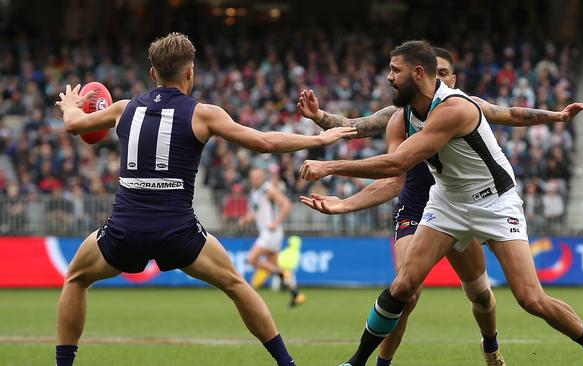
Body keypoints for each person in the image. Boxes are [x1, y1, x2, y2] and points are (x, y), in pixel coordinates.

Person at [300, 40, 583, 366]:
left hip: (494, 203)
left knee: (531, 299)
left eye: (394, 71)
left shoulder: (455, 109)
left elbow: (398, 163)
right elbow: (361, 131)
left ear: (418, 73)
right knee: (404, 287)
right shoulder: (402, 115)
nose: (388, 77)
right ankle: (357, 362)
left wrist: (329, 167)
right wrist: (321, 121)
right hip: (446, 202)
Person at [53, 32, 356, 366]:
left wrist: (69, 106)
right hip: (178, 232)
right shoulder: (203, 114)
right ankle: (288, 364)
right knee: (237, 285)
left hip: (126, 229)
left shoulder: (124, 110)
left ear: (152, 73)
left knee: (77, 278)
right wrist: (318, 138)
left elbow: (74, 126)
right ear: (190, 72)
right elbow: (264, 142)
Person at [240, 168, 305, 307]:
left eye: (258, 176)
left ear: (263, 177)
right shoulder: (255, 193)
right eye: (253, 177)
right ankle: (296, 294)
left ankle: (280, 274)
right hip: (269, 234)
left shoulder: (268, 189)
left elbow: (286, 204)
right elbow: (256, 213)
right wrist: (246, 219)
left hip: (270, 233)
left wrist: (276, 222)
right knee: (274, 265)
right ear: (250, 179)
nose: (256, 179)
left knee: (251, 259)